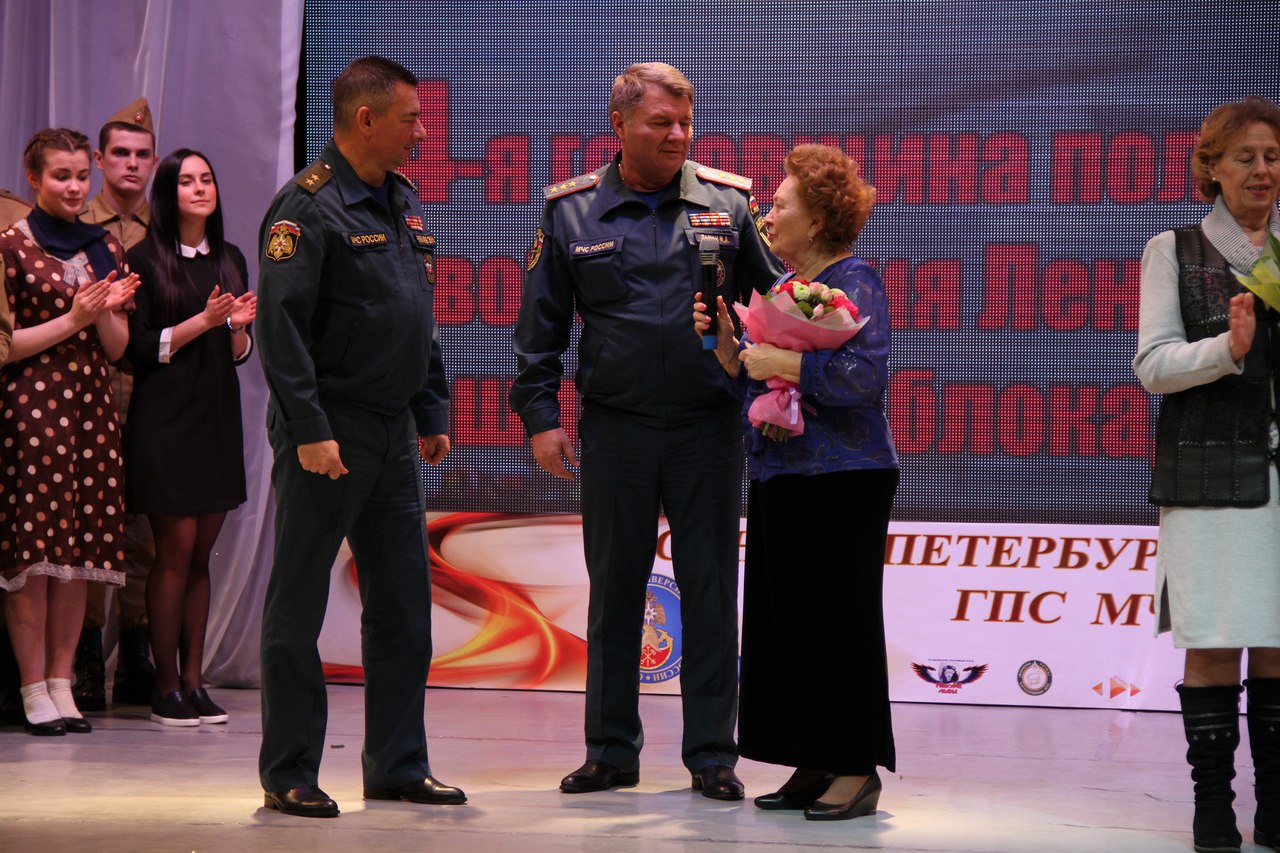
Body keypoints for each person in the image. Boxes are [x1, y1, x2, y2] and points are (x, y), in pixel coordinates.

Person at [510, 62, 784, 800]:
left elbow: (777, 306)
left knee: (710, 590)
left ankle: (712, 755)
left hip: (707, 428)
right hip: (616, 431)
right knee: (615, 591)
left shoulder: (729, 204)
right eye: (661, 122)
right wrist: (541, 420)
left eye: (685, 122)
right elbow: (540, 332)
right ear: (621, 125)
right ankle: (610, 751)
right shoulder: (571, 212)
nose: (678, 135)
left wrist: (771, 381)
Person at [256, 55, 461, 818]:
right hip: (328, 431)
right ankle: (288, 770)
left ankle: (399, 764)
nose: (422, 131)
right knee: (298, 604)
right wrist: (310, 430)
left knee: (404, 605)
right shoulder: (307, 208)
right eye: (411, 118)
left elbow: (416, 314)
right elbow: (280, 333)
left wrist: (431, 411)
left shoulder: (399, 199)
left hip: (391, 432)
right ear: (366, 119)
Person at [694, 143, 897, 820]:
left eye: (779, 205)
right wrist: (732, 351)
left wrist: (783, 361)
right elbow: (760, 390)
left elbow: (863, 379)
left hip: (844, 479)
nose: (766, 215)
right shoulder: (783, 290)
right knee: (791, 624)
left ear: (815, 220)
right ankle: (814, 756)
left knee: (839, 622)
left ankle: (855, 767)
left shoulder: (855, 280)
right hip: (782, 472)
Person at [1133, 97, 1280, 853]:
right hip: (1210, 475)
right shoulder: (1174, 249)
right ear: (1212, 168)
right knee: (1217, 641)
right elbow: (1153, 366)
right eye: (1245, 157)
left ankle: (1277, 805)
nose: (1262, 170)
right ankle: (1213, 806)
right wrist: (1227, 348)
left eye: (1272, 157)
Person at [0, 128, 140, 735]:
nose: (76, 187)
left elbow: (117, 348)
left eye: (82, 175)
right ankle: (32, 685)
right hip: (33, 409)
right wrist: (74, 316)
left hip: (91, 410)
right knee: (35, 554)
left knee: (80, 553)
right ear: (34, 178)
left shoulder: (102, 245)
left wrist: (101, 311)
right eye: (62, 176)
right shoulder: (11, 246)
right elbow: (6, 346)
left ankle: (63, 682)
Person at [124, 150, 256, 727]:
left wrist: (238, 329)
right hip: (165, 421)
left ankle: (196, 681)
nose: (200, 189)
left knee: (203, 556)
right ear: (167, 194)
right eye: (186, 181)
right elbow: (137, 348)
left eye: (207, 179)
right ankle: (166, 686)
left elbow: (239, 354)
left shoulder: (230, 258)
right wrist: (203, 321)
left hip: (216, 418)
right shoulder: (144, 259)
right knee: (173, 553)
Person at [73, 97, 160, 712]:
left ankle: (136, 653)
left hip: (152, 396)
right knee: (86, 525)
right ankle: (83, 654)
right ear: (100, 160)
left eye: (142, 154)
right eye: (120, 153)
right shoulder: (75, 227)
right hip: (89, 392)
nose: (131, 163)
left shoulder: (169, 230)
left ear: (154, 162)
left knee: (144, 530)